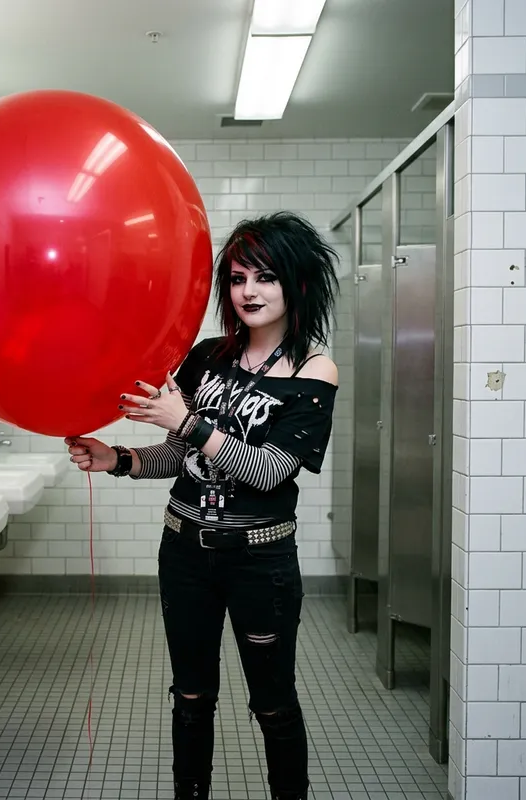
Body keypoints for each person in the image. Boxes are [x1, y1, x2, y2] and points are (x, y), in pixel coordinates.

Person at [65, 211, 340, 800]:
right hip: (185, 555)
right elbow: (178, 455)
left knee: (272, 703)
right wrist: (117, 458)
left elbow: (269, 470)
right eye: (238, 278)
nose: (249, 291)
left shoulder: (314, 369)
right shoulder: (206, 356)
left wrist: (188, 422)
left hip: (259, 564)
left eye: (266, 277)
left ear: (297, 283)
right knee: (190, 696)